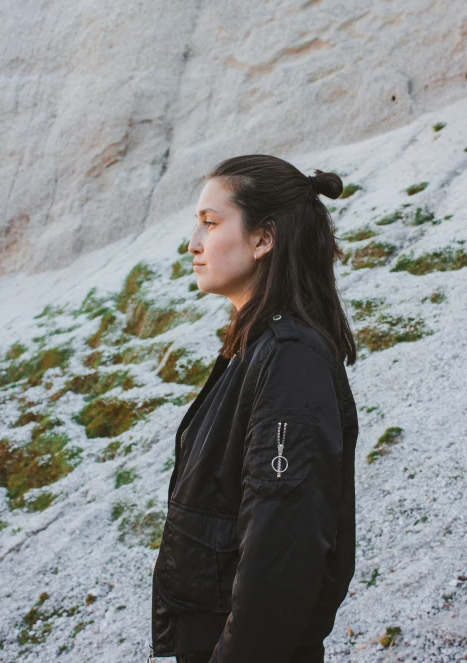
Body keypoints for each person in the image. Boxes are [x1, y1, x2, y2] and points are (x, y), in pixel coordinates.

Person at [149, 154, 359, 663]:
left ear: (264, 239)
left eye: (210, 223)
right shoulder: (258, 347)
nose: (193, 243)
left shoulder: (290, 359)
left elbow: (281, 552)